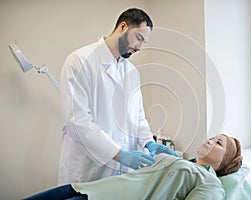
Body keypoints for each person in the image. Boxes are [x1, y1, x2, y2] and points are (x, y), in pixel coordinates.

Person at [58, 8, 177, 185]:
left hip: (121, 176)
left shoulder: (132, 72)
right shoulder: (80, 61)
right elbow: (78, 121)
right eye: (139, 38)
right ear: (123, 27)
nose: (139, 48)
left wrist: (148, 143)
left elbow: (138, 118)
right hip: (87, 172)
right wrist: (119, 154)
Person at [24, 134, 243, 200]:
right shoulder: (183, 161)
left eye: (219, 143)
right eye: (212, 137)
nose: (210, 140)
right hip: (89, 188)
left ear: (226, 161)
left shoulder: (211, 183)